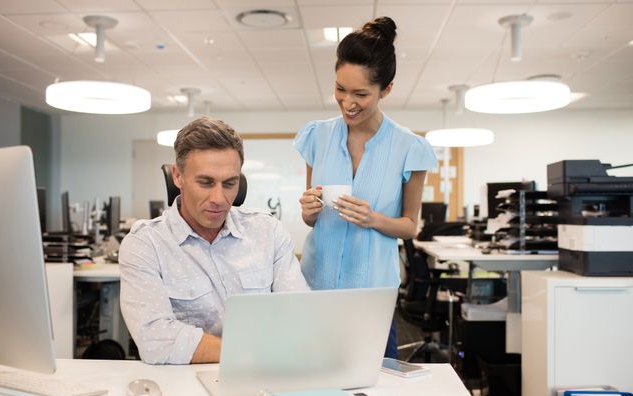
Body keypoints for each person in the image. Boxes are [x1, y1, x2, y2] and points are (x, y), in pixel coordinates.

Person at [294, 17, 438, 359]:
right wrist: (308, 211)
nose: (347, 102)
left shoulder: (409, 147)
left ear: (386, 90)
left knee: (376, 392)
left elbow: (409, 226)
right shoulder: (317, 136)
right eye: (340, 89)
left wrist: (373, 219)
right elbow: (311, 220)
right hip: (316, 285)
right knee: (312, 381)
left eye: (361, 93)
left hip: (372, 294)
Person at [120, 117, 308, 365]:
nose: (219, 198)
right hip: (186, 386)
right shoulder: (146, 244)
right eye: (205, 182)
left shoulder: (268, 232)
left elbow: (298, 315)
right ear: (178, 176)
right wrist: (250, 354)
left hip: (264, 376)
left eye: (230, 184)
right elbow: (155, 339)